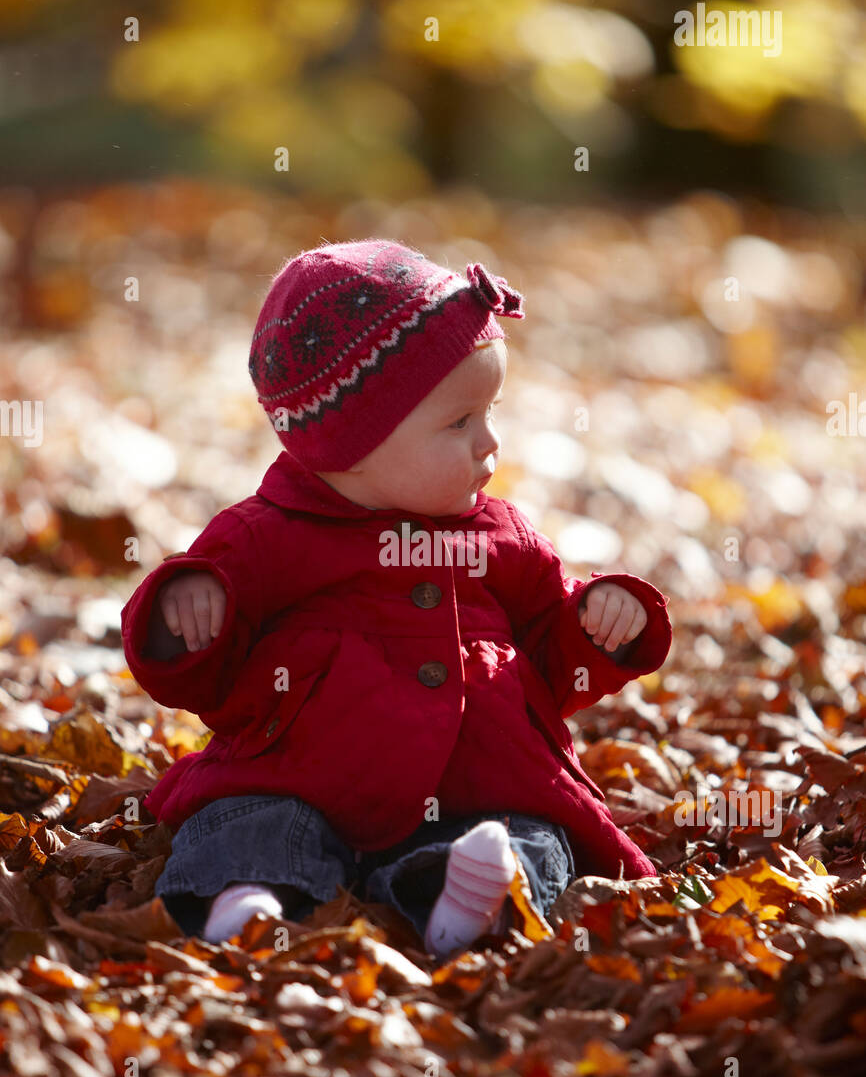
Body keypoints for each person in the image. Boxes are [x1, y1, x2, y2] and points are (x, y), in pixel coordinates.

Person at [120, 238, 673, 958]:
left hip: (479, 781)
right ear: (347, 442)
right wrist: (188, 611)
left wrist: (594, 626)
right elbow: (203, 677)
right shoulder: (264, 538)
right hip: (301, 775)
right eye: (459, 422)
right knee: (248, 821)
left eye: (490, 412)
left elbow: (548, 659)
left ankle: (468, 897)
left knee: (535, 834)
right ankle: (247, 900)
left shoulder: (500, 536)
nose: (490, 442)